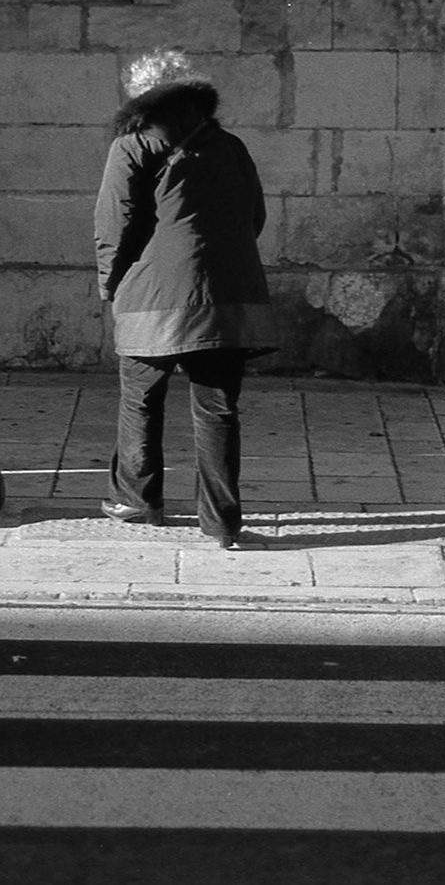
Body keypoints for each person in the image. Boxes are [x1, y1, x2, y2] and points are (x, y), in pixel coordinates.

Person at [94, 48, 277, 549]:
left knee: (141, 398)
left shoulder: (132, 145)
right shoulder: (231, 146)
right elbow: (254, 216)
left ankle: (137, 499)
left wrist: (111, 283)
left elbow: (115, 223)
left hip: (151, 293)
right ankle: (221, 523)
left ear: (141, 97)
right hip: (226, 297)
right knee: (217, 407)